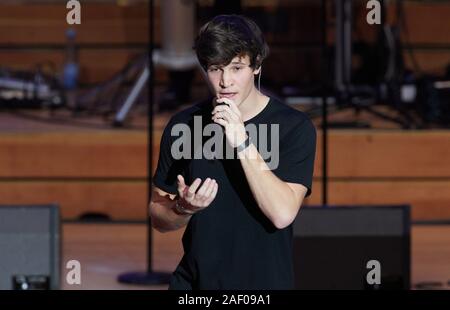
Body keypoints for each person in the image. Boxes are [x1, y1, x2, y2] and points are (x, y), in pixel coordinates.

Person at [150, 15, 316, 290]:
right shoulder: (184, 126)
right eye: (215, 69)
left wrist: (241, 140)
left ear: (257, 65)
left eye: (236, 67)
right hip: (194, 286)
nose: (225, 81)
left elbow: (282, 213)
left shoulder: (293, 127)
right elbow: (158, 215)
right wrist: (182, 208)